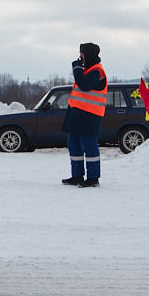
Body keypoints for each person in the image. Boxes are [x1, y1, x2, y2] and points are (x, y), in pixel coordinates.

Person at [61, 42, 108, 187]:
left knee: (89, 145)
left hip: (90, 115)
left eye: (82, 53)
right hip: (77, 114)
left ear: (88, 54)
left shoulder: (97, 72)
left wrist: (76, 68)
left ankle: (93, 178)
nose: (80, 56)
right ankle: (77, 175)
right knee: (73, 144)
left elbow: (84, 84)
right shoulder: (87, 70)